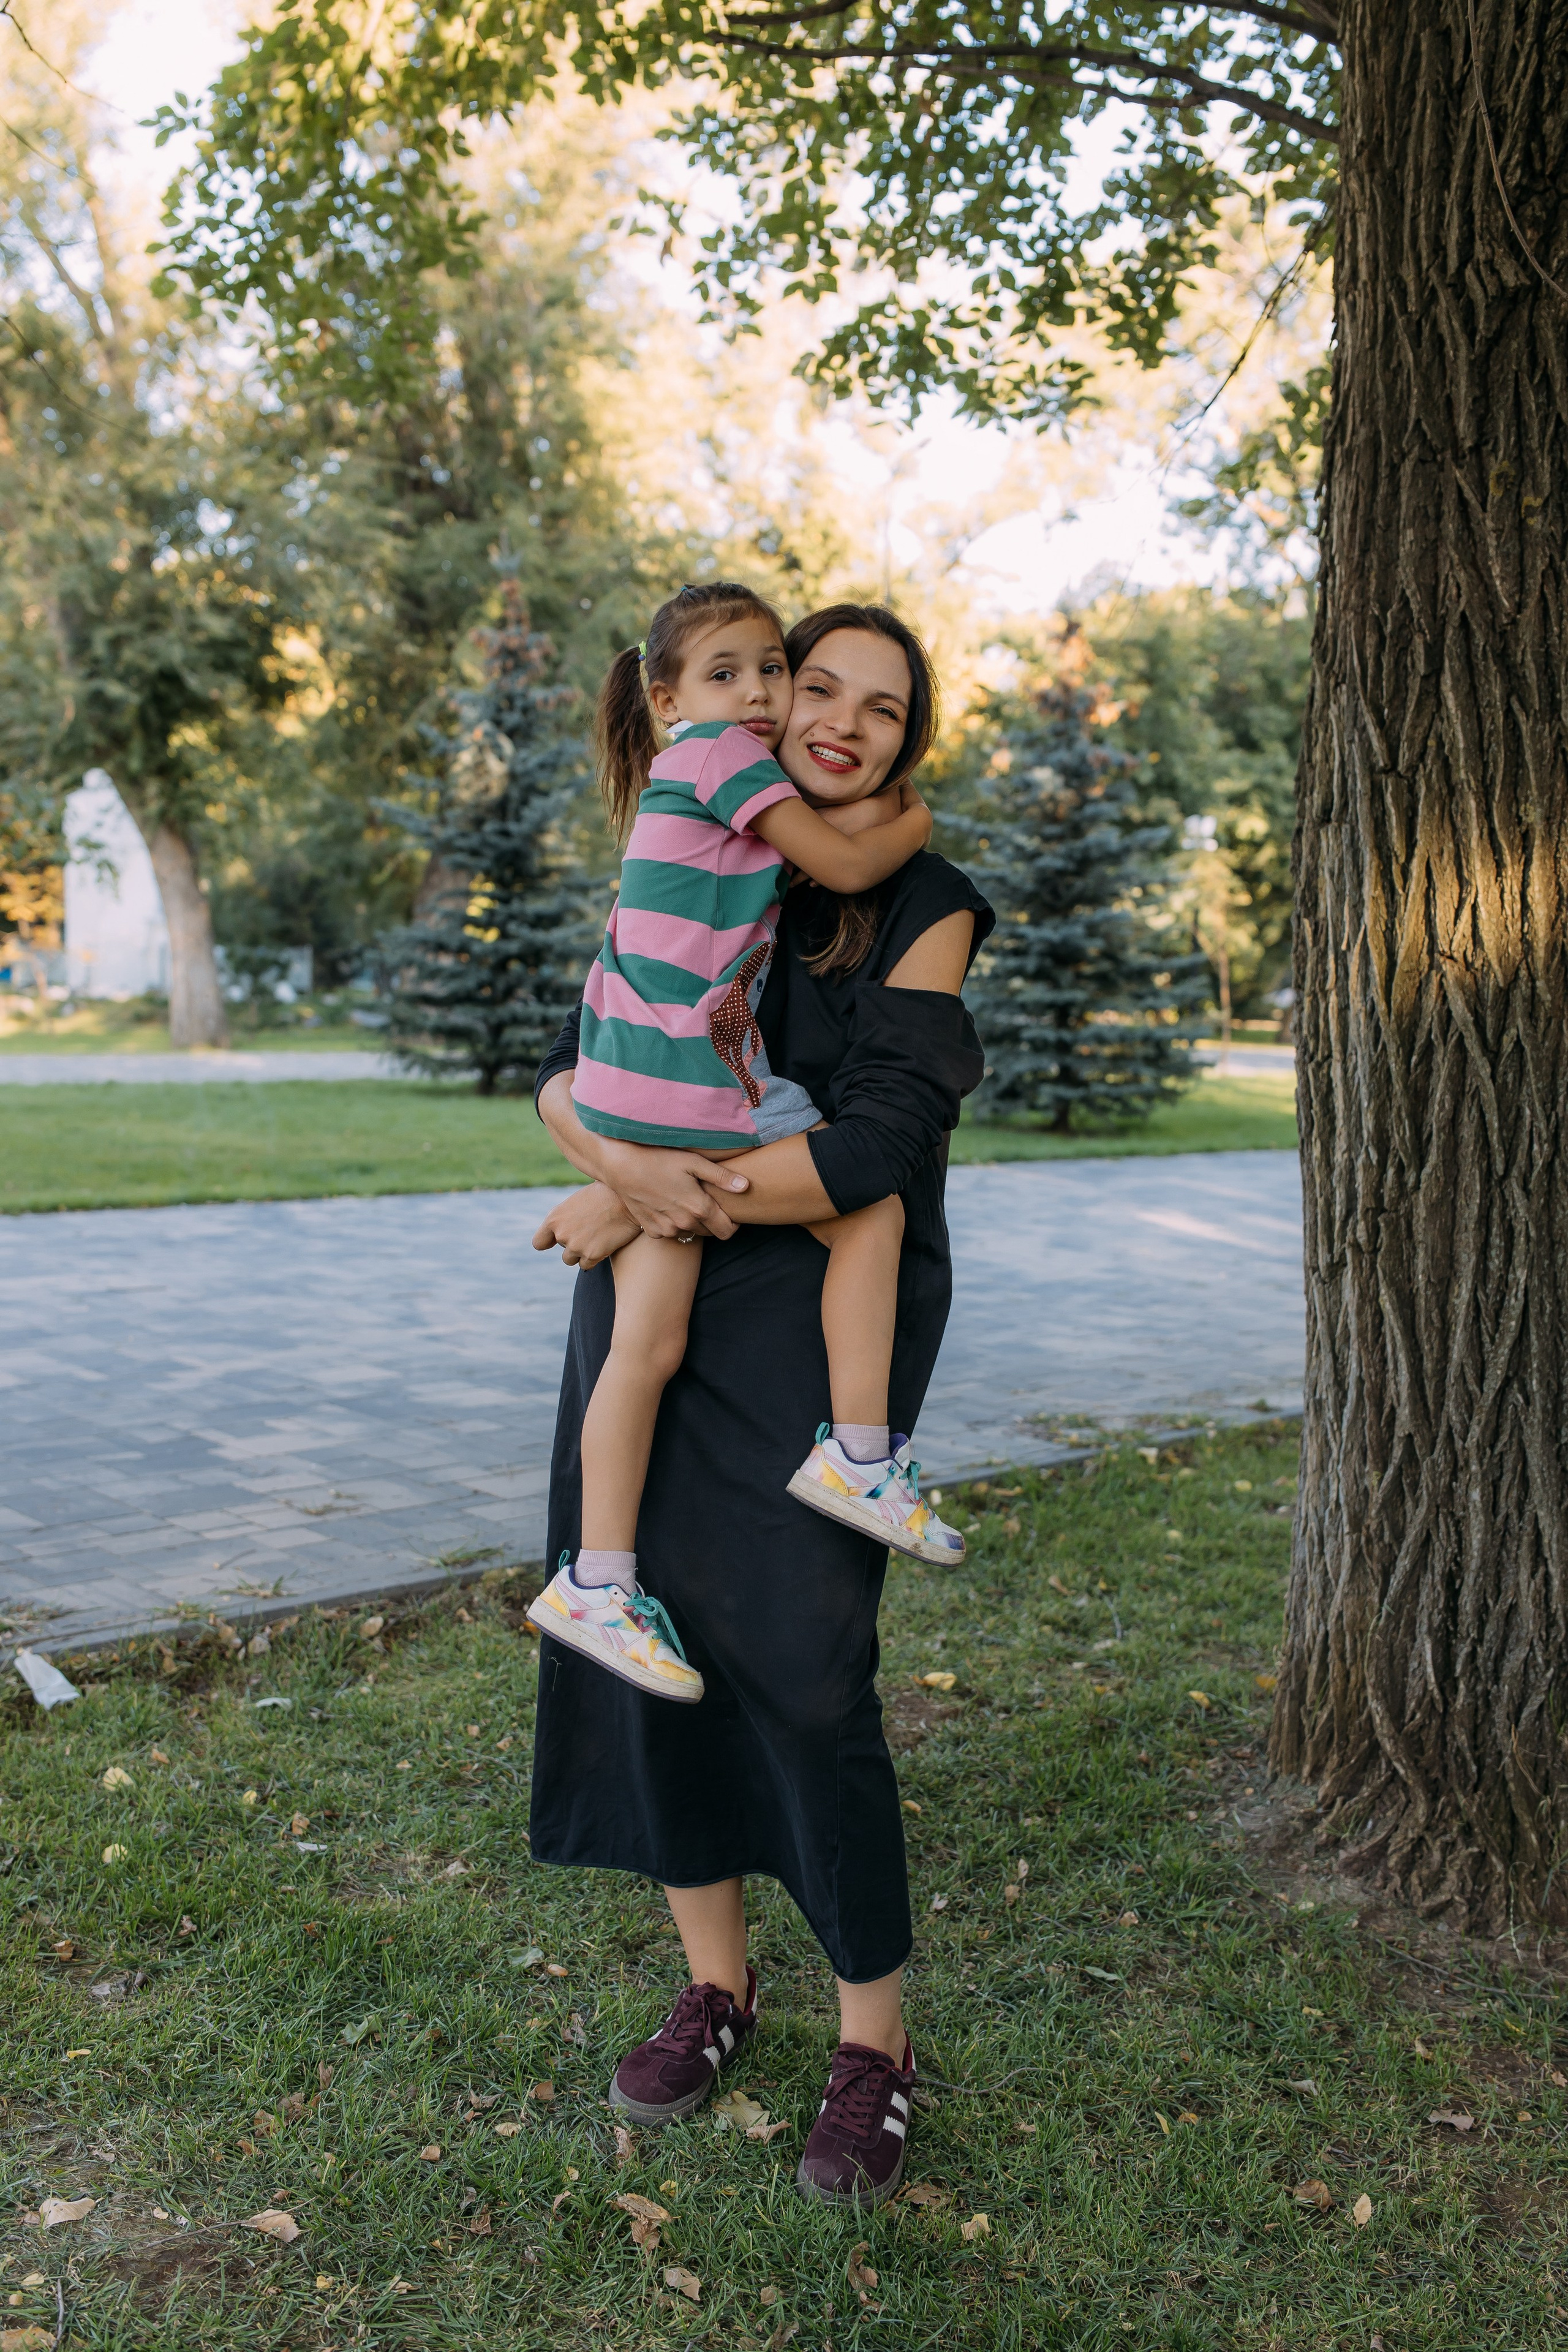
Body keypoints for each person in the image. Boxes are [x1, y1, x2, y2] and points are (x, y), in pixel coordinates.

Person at [529, 603, 993, 2206]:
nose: (843, 721)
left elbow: (881, 1145)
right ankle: (716, 1987)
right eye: (819, 688)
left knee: (805, 1670)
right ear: (770, 705)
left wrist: (643, 1186)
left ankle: (876, 2044)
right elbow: (571, 1068)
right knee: (654, 1649)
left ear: (910, 739)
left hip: (813, 1331)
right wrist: (613, 1163)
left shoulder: (927, 901)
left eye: (884, 707)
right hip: (654, 1310)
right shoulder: (725, 840)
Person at [527, 583, 962, 1706]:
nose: (767, 696)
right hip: (688, 1094)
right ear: (670, 697)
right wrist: (915, 817)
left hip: (643, 1096)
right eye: (798, 682)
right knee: (869, 1216)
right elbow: (855, 862)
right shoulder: (726, 763)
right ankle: (858, 1456)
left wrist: (623, 1182)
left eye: (772, 670)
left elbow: (826, 871)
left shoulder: (710, 795)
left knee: (644, 1350)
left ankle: (596, 1582)